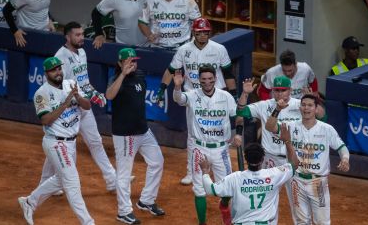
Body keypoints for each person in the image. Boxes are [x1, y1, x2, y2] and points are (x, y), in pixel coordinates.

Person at [37, 22, 117, 194]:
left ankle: (111, 179)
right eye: (78, 35)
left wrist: (93, 93)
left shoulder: (82, 52)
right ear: (68, 37)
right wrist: (77, 99)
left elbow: (83, 81)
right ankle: (44, 185)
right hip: (67, 109)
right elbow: (58, 85)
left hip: (81, 104)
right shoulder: (61, 57)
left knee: (95, 141)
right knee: (58, 143)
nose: (82, 38)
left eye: (82, 34)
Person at [156, 17, 237, 185]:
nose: (202, 35)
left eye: (206, 32)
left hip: (218, 93)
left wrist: (234, 94)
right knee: (194, 135)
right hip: (193, 96)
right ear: (193, 32)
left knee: (219, 131)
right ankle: (191, 171)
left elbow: (228, 73)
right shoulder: (183, 50)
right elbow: (171, 70)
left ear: (209, 33)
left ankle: (220, 166)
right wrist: (162, 89)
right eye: (199, 33)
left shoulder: (219, 49)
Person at [236, 76, 325, 224]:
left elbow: (323, 117)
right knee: (267, 197)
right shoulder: (264, 105)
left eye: (283, 90)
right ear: (272, 91)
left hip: (293, 159)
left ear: (289, 90)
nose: (279, 94)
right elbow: (241, 111)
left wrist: (315, 100)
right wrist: (245, 94)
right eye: (276, 90)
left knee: (298, 200)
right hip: (270, 158)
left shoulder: (300, 105)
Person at [18, 57, 94, 225]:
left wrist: (77, 97)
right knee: (72, 183)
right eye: (53, 70)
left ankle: (30, 202)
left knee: (61, 179)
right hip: (56, 142)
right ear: (46, 74)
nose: (58, 72)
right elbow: (45, 120)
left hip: (71, 142)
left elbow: (87, 106)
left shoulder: (70, 84)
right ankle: (88, 223)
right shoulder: (41, 94)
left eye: (59, 68)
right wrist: (66, 103)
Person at [266, 94, 350, 225]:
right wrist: (277, 109)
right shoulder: (290, 126)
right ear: (300, 107)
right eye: (303, 105)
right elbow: (270, 127)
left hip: (318, 182)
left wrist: (345, 159)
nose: (306, 108)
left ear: (316, 108)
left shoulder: (327, 129)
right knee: (301, 222)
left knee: (322, 222)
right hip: (296, 181)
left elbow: (341, 147)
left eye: (310, 105)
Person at [172, 65, 239, 225]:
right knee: (199, 189)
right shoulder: (192, 95)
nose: (207, 82)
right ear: (199, 80)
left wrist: (238, 133)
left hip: (221, 149)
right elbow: (178, 99)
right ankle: (202, 223)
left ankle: (223, 205)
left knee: (227, 188)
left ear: (215, 78)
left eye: (210, 79)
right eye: (204, 80)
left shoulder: (226, 96)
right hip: (199, 148)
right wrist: (177, 86)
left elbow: (237, 116)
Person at [106, 48, 165, 224]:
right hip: (125, 135)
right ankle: (123, 211)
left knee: (157, 162)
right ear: (120, 63)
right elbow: (109, 95)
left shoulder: (140, 75)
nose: (133, 64)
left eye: (134, 60)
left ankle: (146, 200)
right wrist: (123, 75)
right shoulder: (116, 79)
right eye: (129, 61)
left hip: (143, 130)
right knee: (124, 174)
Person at [199, 137, 299, 225]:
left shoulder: (234, 178)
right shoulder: (273, 175)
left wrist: (205, 171)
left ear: (246, 159)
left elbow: (209, 189)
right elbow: (294, 164)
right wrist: (287, 141)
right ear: (262, 159)